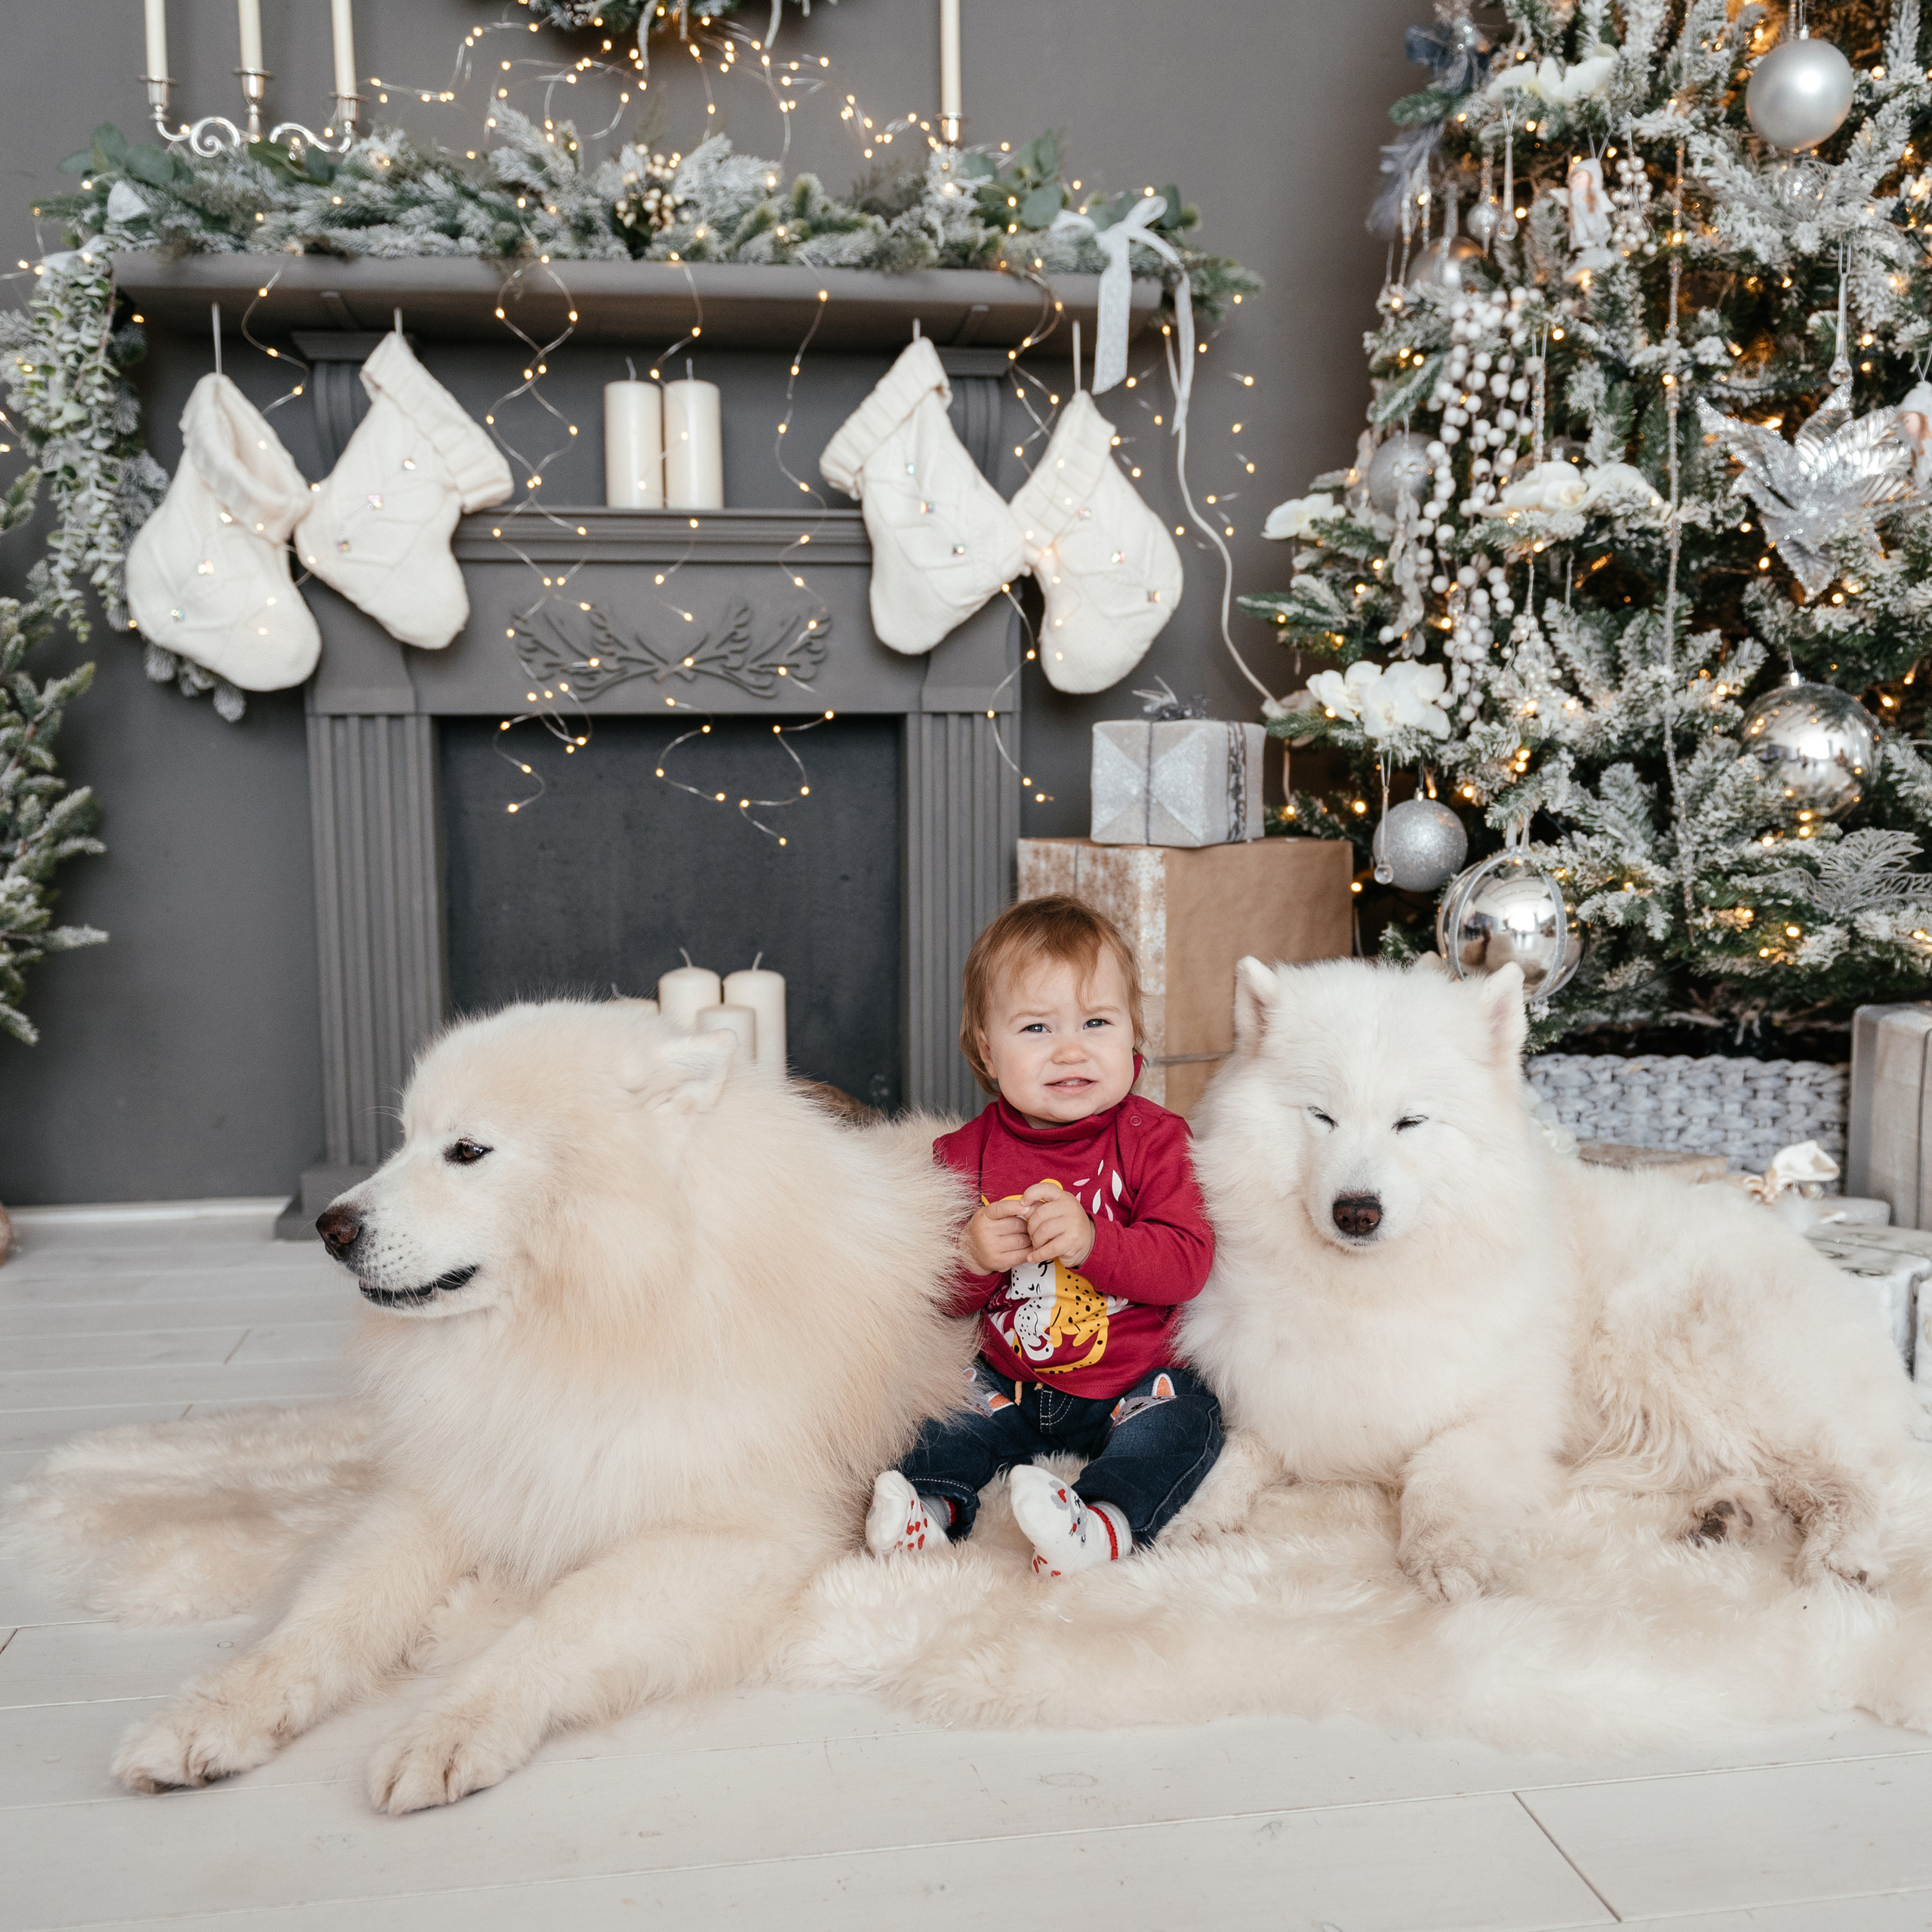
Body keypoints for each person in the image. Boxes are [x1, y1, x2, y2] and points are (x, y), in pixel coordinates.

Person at [866, 894, 1223, 1577]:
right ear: (987, 1050)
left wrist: (1095, 1244)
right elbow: (937, 1298)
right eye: (1036, 1028)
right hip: (1008, 1382)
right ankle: (928, 1512)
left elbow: (1187, 1265)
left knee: (1186, 1422)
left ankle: (1101, 1524)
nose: (1070, 1049)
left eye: (1096, 1022)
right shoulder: (961, 1156)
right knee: (941, 1410)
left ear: (1132, 1038)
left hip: (1133, 1384)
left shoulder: (1156, 1142)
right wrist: (972, 1256)